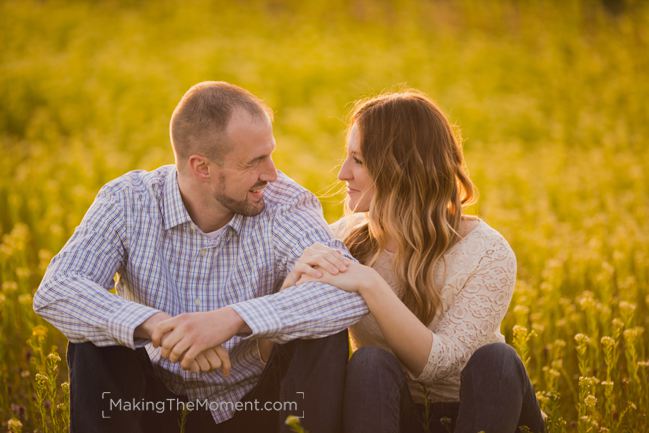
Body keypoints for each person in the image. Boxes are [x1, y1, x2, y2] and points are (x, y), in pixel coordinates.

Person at [33, 81, 368, 433]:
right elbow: (58, 289)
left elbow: (349, 292)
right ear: (202, 167)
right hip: (151, 402)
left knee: (321, 330)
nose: (271, 173)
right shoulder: (128, 200)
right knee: (95, 336)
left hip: (261, 404)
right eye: (255, 161)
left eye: (270, 154)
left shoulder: (285, 203)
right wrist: (159, 327)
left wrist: (231, 319)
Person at [262, 90, 546, 433]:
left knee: (498, 361)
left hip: (482, 413)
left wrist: (369, 283)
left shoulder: (486, 252)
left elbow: (436, 365)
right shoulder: (342, 240)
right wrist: (292, 282)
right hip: (392, 412)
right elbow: (271, 354)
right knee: (369, 363)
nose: (342, 174)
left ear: (402, 170)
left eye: (359, 160)